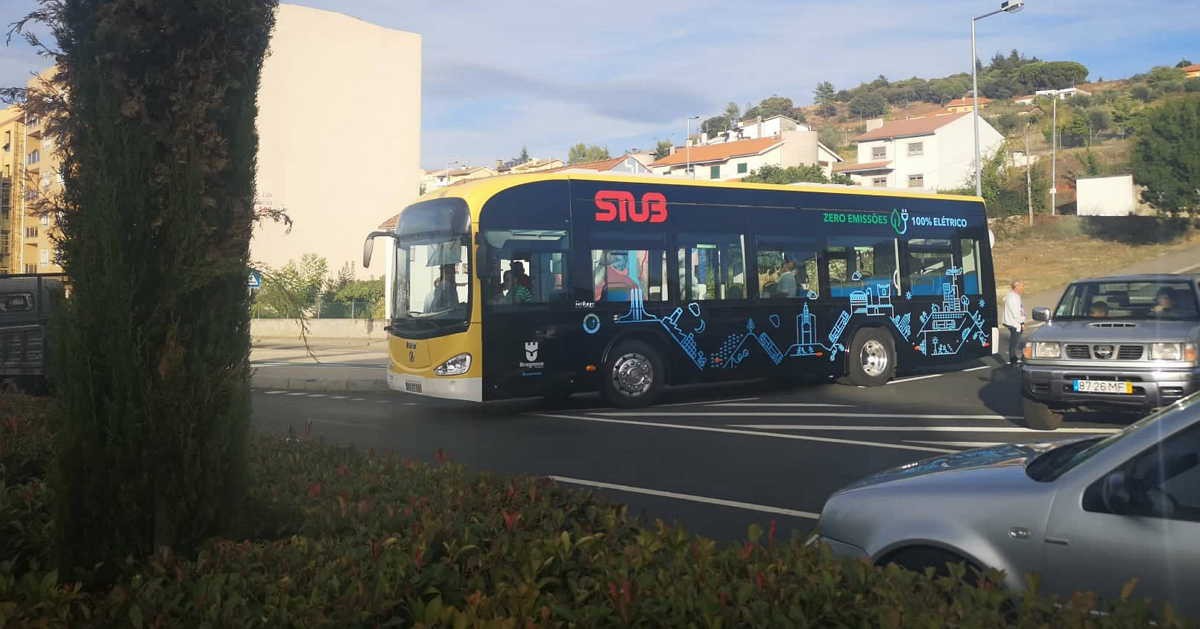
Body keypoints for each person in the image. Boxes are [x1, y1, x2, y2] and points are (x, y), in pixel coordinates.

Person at [1003, 279, 1025, 365]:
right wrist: (1021, 322)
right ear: (1016, 287)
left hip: (1015, 322)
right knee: (1014, 342)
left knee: (1015, 341)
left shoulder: (1015, 296)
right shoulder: (1012, 297)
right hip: (1014, 323)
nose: (1023, 288)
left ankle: (1014, 358)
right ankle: (1012, 359)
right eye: (1021, 286)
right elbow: (1015, 312)